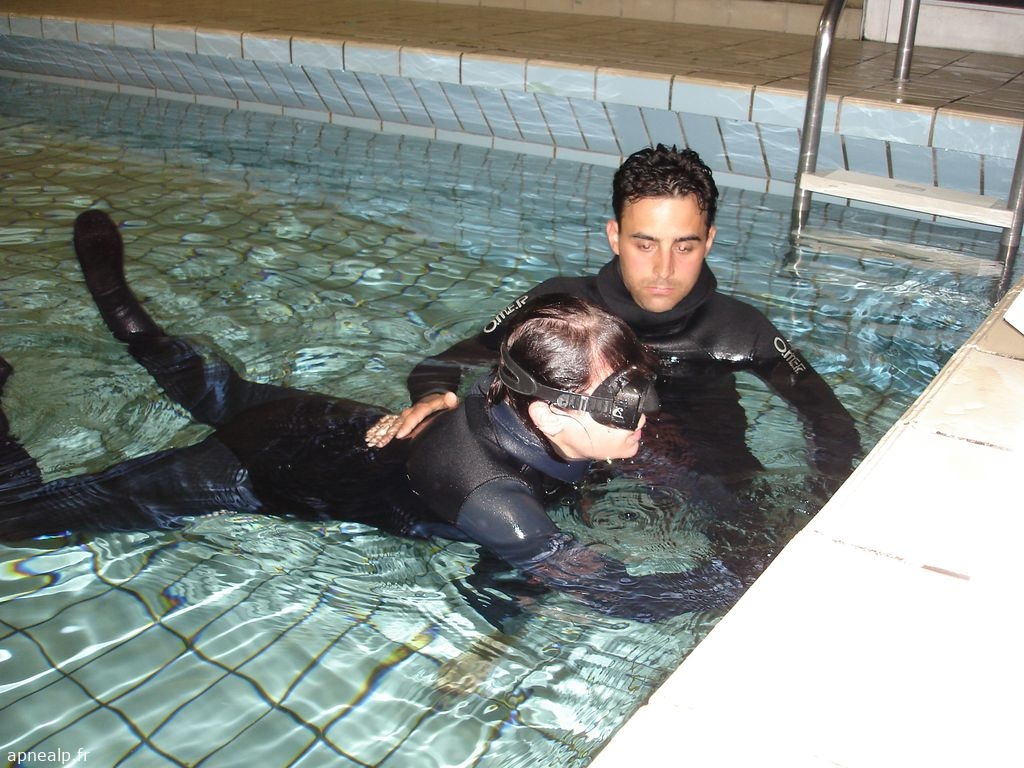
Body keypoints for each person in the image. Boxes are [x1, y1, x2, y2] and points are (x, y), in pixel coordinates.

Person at [0, 210, 742, 623]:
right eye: (623, 400)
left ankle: (120, 304)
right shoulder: (499, 508)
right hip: (256, 467)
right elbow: (619, 594)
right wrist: (735, 578)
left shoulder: (517, 397)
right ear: (547, 410)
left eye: (642, 386)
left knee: (193, 377)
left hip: (309, 416)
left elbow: (485, 395)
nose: (646, 409)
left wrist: (440, 397)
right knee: (16, 519)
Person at [367, 145, 861, 488]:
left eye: (684, 246)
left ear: (708, 241)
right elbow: (442, 365)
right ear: (614, 237)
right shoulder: (557, 306)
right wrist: (431, 399)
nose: (663, 269)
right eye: (644, 244)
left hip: (707, 473)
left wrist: (821, 490)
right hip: (580, 469)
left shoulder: (741, 332)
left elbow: (832, 423)